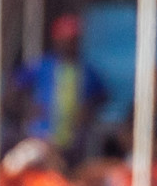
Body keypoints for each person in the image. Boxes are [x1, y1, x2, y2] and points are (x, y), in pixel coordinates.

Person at [9, 14, 107, 164]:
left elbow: (101, 96)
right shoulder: (42, 65)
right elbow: (14, 88)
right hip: (41, 136)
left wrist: (88, 110)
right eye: (65, 39)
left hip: (72, 139)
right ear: (56, 40)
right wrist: (26, 109)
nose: (69, 44)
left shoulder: (86, 71)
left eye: (73, 40)